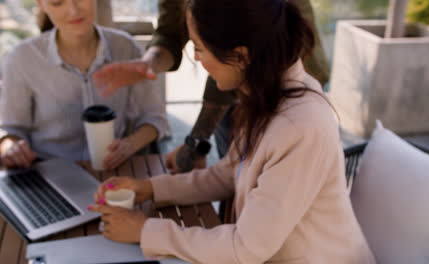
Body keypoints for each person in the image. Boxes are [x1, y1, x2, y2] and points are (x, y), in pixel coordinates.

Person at [89, 0, 376, 263]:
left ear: (240, 56)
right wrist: (151, 189)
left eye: (199, 48)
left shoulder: (299, 126)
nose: (198, 60)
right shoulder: (266, 95)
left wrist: (145, 230)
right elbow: (229, 173)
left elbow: (245, 249)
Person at [92, 0, 330, 174]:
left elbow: (232, 57)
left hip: (276, 85)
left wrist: (197, 140)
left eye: (199, 49)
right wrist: (148, 63)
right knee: (238, 178)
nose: (196, 58)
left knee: (252, 182)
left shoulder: (297, 120)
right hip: (240, 83)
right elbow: (170, 32)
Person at [0, 0, 168, 170]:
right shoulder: (22, 58)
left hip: (116, 175)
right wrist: (12, 149)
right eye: (57, 3)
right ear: (41, 4)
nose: (73, 11)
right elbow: (11, 130)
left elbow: (155, 118)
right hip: (49, 175)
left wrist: (129, 145)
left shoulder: (126, 47)